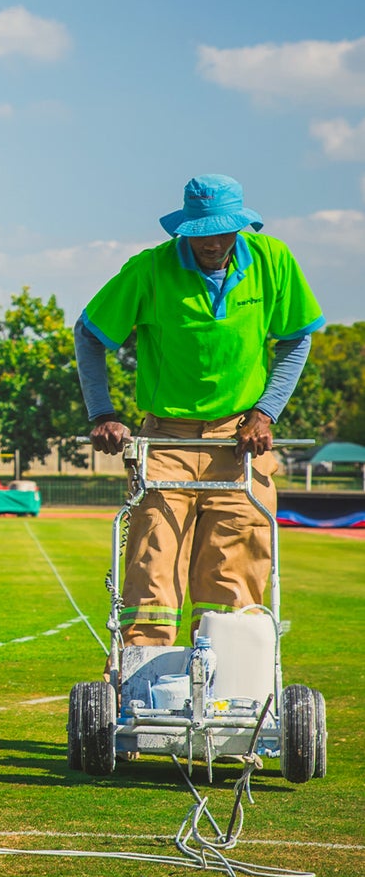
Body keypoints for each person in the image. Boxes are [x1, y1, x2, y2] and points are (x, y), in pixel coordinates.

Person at [74, 174, 322, 646]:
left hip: (240, 442)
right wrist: (102, 413)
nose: (211, 242)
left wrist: (265, 412)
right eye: (201, 231)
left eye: (222, 230)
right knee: (152, 566)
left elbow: (296, 337)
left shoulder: (274, 261)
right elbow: (89, 334)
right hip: (166, 441)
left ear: (241, 225)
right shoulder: (149, 269)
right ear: (184, 228)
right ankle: (142, 687)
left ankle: (230, 686)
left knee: (237, 573)